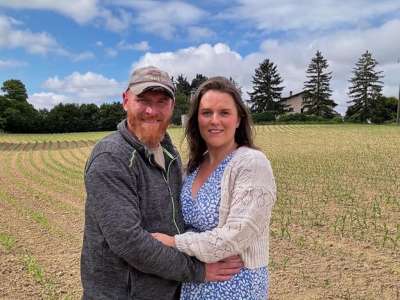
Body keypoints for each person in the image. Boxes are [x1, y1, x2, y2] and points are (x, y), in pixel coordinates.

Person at [81, 67, 243, 299]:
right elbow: (130, 243)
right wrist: (198, 270)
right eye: (143, 100)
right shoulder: (112, 158)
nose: (152, 110)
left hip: (167, 289)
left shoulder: (167, 151)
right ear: (125, 100)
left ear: (172, 106)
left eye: (161, 102)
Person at [152, 76, 277, 299]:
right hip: (195, 282)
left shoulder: (251, 163)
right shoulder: (193, 166)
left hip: (235, 285)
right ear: (196, 119)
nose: (214, 120)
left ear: (239, 119)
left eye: (224, 113)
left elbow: (235, 237)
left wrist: (173, 242)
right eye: (206, 112)